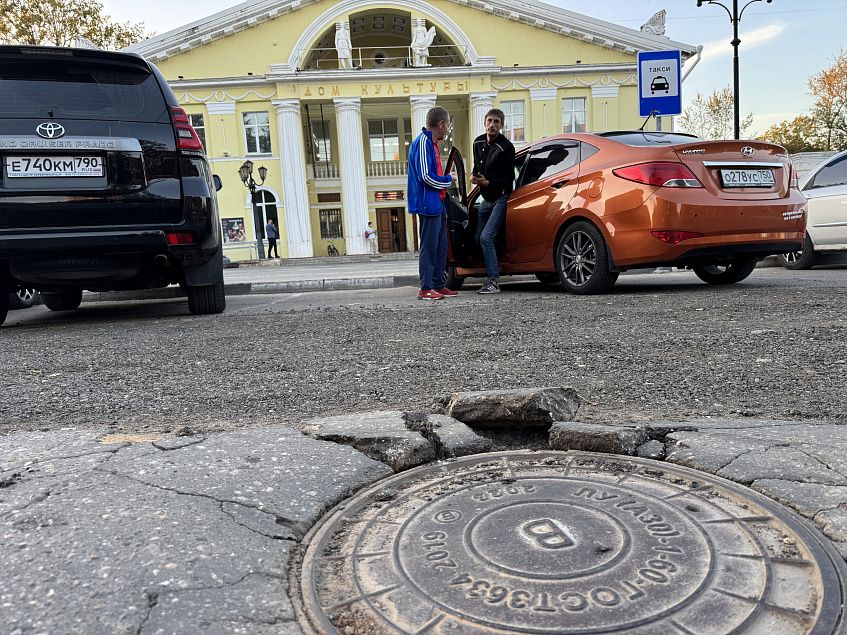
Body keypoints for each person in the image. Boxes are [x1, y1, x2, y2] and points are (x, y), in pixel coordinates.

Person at [407, 106, 455, 300]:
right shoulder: (423, 143)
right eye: (448, 126)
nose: (448, 129)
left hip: (437, 202)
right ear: (441, 124)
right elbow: (426, 177)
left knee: (440, 245)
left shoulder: (432, 144)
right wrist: (448, 179)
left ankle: (437, 284)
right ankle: (425, 287)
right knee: (429, 246)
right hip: (428, 203)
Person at [471, 108, 515, 295]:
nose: (492, 125)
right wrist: (475, 177)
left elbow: (508, 178)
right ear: (484, 123)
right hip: (485, 199)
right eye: (490, 121)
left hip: (500, 198)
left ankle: (493, 280)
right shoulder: (478, 143)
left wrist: (487, 182)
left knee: (486, 237)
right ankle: (497, 263)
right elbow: (477, 166)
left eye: (496, 122)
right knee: (477, 239)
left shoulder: (507, 148)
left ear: (502, 125)